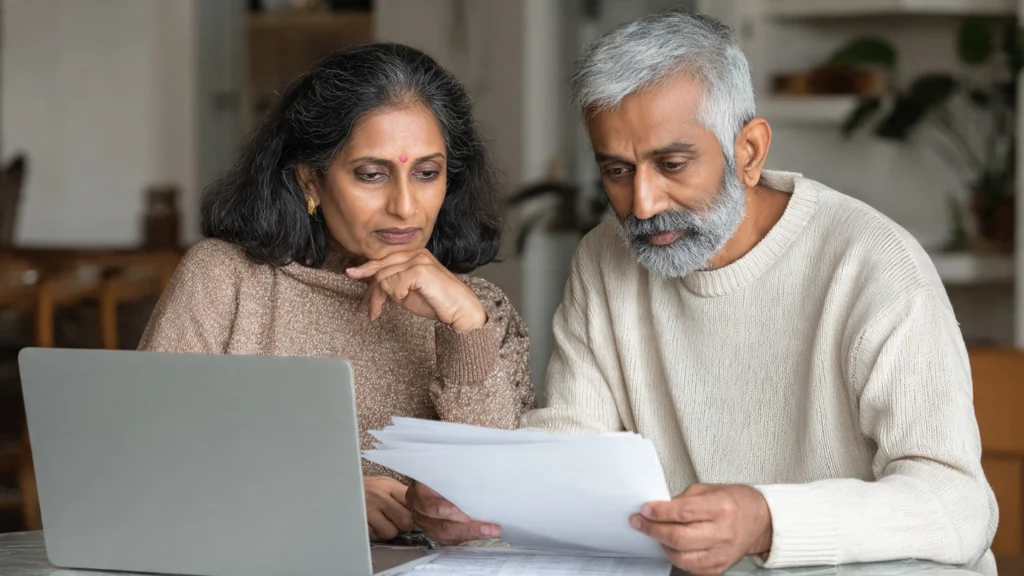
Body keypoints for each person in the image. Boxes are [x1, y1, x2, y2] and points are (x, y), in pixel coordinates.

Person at [406, 11, 997, 576]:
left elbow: (956, 503)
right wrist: (489, 500)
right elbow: (573, 442)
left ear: (749, 152)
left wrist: (766, 520)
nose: (642, 203)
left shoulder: (873, 264)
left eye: (672, 163)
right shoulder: (606, 255)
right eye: (617, 170)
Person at [139, 43, 534, 543]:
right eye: (372, 175)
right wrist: (320, 495)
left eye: (427, 173)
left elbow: (499, 510)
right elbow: (149, 462)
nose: (405, 206)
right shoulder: (225, 280)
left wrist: (465, 333)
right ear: (310, 180)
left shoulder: (476, 310)